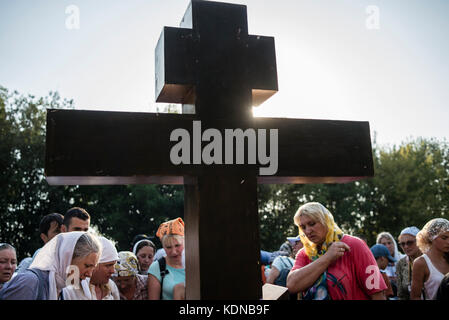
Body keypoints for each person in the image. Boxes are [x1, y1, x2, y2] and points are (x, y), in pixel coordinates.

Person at [286, 202, 387, 300]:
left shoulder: (354, 245)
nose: (308, 231)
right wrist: (327, 257)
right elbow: (292, 285)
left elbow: (377, 293)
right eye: (303, 227)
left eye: (312, 224)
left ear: (326, 221)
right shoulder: (305, 254)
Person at [0, 232, 101, 300]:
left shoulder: (60, 288)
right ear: (67, 257)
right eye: (87, 266)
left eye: (93, 268)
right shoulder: (29, 282)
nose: (89, 274)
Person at [411, 218, 449, 300]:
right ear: (431, 237)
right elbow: (415, 297)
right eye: (444, 238)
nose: (448, 242)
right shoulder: (421, 263)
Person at [148, 217, 186, 300]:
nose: (174, 252)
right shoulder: (156, 268)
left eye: (177, 245)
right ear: (163, 247)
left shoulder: (194, 264)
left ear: (185, 242)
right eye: (168, 247)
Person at [395, 226, 422, 300]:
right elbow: (401, 295)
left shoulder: (429, 259)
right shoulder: (400, 264)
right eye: (402, 244)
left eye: (409, 243)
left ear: (419, 241)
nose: (406, 246)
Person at [376, 231, 404, 297]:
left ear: (394, 243)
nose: (387, 246)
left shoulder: (404, 258)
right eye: (384, 244)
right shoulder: (377, 264)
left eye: (389, 243)